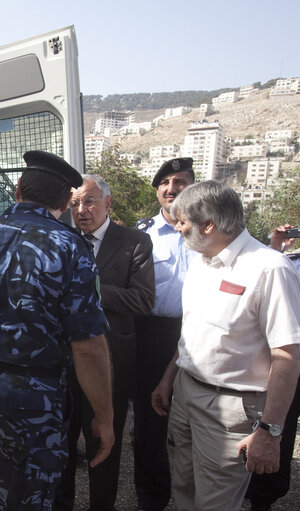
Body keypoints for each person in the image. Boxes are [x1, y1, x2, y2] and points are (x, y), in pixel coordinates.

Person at [0, 150, 115, 510]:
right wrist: (104, 417)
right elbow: (89, 345)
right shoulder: (72, 249)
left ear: (17, 190)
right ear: (65, 202)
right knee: (23, 496)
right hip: (34, 397)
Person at [151, 181, 300, 511]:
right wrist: (168, 379)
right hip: (186, 392)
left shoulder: (269, 269)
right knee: (185, 491)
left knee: (215, 503)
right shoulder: (202, 260)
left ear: (209, 225)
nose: (177, 228)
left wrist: (270, 432)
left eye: (183, 221)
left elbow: (287, 355)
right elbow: (193, 331)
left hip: (230, 409)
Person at [56, 175, 155, 511]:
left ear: (108, 203)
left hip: (110, 364)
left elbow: (143, 300)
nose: (82, 211)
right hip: (63, 364)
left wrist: (91, 287)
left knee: (104, 445)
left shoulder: (134, 242)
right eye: (75, 204)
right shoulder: (62, 240)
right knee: (61, 446)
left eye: (89, 201)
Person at [132, 157, 197, 511]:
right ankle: (152, 498)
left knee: (196, 418)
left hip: (200, 333)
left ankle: (198, 494)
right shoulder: (142, 234)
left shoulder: (208, 232)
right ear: (157, 191)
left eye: (181, 182)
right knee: (149, 424)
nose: (172, 189)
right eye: (165, 183)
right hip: (155, 336)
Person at [246, 225, 300, 511]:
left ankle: (265, 494)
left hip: (291, 351)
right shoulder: (285, 261)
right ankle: (259, 495)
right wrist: (277, 244)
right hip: (278, 353)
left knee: (281, 424)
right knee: (275, 419)